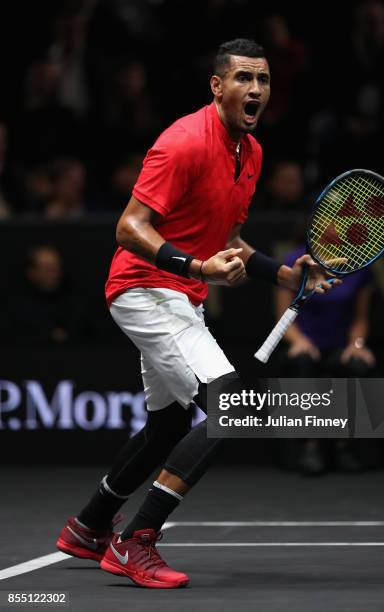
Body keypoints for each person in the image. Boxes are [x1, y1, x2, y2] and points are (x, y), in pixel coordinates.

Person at [56, 39, 340, 589]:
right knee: (233, 404)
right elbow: (128, 228)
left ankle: (88, 526)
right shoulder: (182, 142)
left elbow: (229, 239)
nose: (255, 88)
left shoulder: (251, 154)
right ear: (217, 86)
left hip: (179, 295)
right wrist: (196, 266)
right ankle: (135, 540)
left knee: (168, 426)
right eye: (242, 78)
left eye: (262, 79)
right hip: (143, 287)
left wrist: (281, 274)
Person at [276, 241, 376, 475]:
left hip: (339, 347)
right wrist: (298, 340)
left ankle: (346, 446)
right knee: (303, 363)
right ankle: (310, 446)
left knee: (358, 365)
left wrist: (356, 344)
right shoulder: (296, 260)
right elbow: (283, 314)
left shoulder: (360, 264)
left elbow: (360, 318)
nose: (338, 223)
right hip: (304, 345)